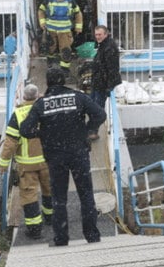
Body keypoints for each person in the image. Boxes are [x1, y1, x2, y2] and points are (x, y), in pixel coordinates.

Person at [20, 67, 106, 246]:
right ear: (64, 80)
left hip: (55, 156)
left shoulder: (41, 104)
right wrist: (88, 129)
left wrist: (43, 134)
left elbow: (25, 130)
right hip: (78, 153)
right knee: (86, 195)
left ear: (48, 82)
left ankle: (61, 238)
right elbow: (100, 114)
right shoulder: (78, 97)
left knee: (59, 198)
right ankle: (92, 235)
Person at [0, 83, 52, 240]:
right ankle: (51, 218)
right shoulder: (46, 110)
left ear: (24, 97)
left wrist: (3, 164)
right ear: (37, 96)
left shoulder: (18, 115)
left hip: (27, 165)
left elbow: (10, 143)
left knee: (29, 195)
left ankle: (35, 229)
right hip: (47, 161)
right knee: (50, 190)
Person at [38, 0, 82, 73]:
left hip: (65, 30)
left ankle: (65, 69)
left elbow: (78, 13)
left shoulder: (70, 0)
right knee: (50, 47)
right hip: (50, 29)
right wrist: (42, 23)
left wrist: (78, 26)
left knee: (66, 50)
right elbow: (41, 10)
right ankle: (50, 64)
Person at [90, 24, 121, 109]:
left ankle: (97, 121)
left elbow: (112, 68)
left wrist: (109, 86)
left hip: (102, 84)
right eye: (96, 34)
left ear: (106, 34)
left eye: (99, 34)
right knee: (92, 106)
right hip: (98, 82)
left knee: (96, 109)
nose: (97, 37)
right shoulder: (103, 45)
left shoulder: (109, 47)